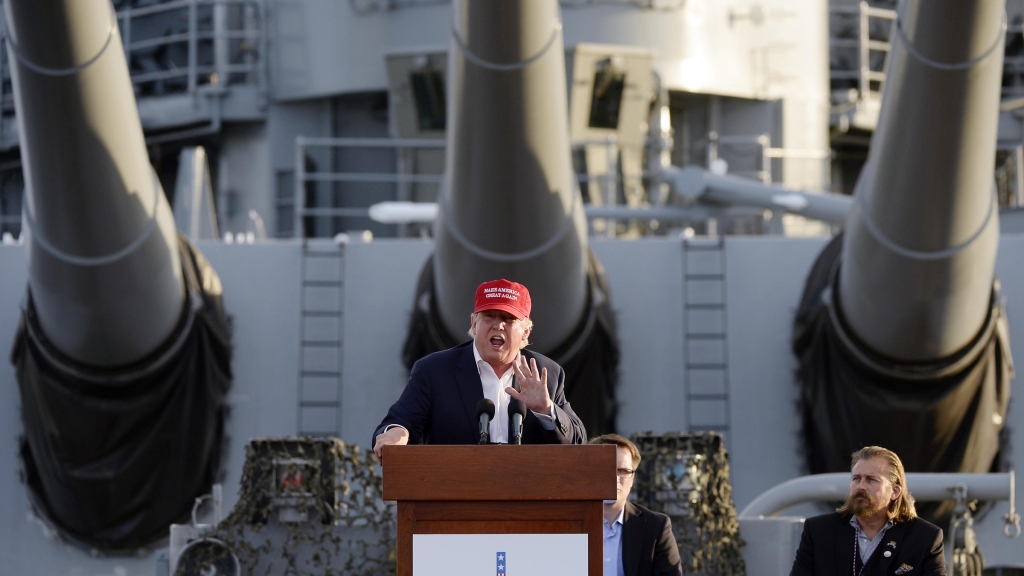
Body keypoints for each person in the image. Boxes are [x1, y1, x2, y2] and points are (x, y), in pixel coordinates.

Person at [372, 279, 586, 463]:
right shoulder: (434, 371)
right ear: (474, 324)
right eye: (489, 316)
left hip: (529, 499)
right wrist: (397, 433)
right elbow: (399, 421)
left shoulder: (546, 373)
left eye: (508, 319)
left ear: (525, 332)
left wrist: (547, 410)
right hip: (454, 498)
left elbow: (579, 443)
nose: (498, 326)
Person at [790, 446, 946, 576]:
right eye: (856, 478)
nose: (861, 486)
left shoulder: (925, 538)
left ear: (895, 492)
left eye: (871, 480)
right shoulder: (819, 531)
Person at [590, 434, 683, 576]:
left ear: (632, 478)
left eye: (623, 471)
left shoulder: (656, 527)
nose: (614, 478)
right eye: (605, 468)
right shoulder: (566, 525)